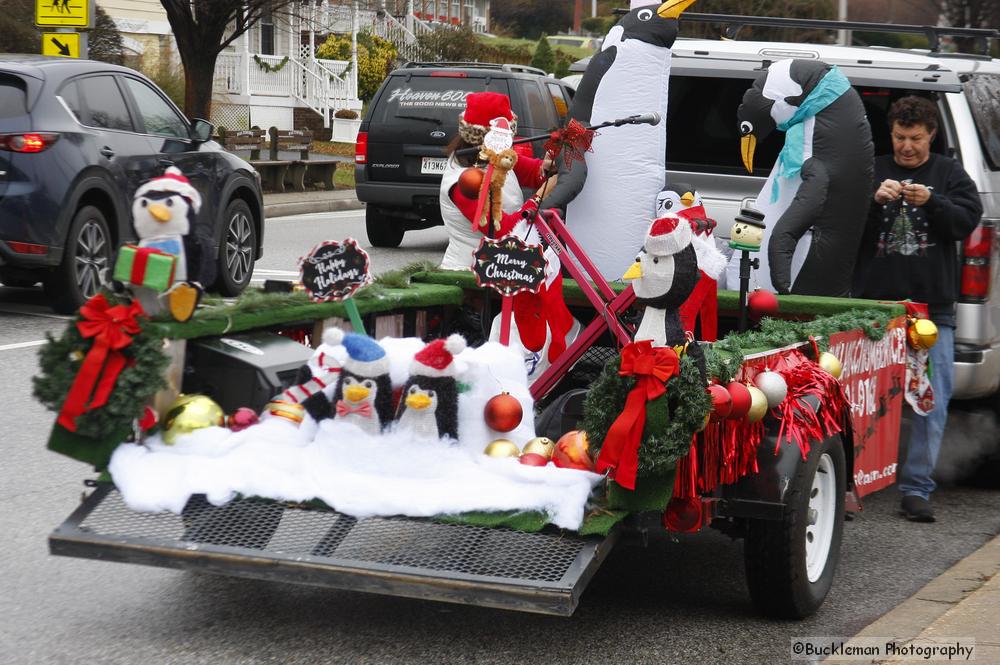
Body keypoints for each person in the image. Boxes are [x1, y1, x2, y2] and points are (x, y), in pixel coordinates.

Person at [854, 95, 983, 522]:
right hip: (874, 309)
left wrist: (933, 201)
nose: (906, 146)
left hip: (932, 313)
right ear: (889, 134)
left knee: (931, 401)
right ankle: (853, 485)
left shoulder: (949, 173)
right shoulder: (873, 169)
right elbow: (845, 228)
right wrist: (873, 201)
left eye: (915, 138)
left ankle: (916, 490)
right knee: (865, 401)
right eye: (899, 137)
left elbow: (966, 221)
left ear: (931, 135)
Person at [439, 91, 555, 270]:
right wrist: (539, 197)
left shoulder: (497, 158)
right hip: (470, 273)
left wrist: (547, 167)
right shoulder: (462, 181)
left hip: (503, 267)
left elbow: (533, 171)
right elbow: (502, 231)